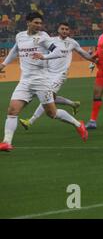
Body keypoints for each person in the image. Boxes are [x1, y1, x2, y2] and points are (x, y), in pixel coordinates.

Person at [0, 12, 88, 151]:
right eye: (36, 23)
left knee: (52, 113)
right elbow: (14, 50)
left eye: (40, 23)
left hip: (41, 81)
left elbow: (58, 51)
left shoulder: (43, 37)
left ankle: (78, 124)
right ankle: (6, 142)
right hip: (25, 81)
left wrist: (44, 57)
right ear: (28, 22)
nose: (39, 26)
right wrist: (4, 64)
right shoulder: (20, 36)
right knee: (12, 110)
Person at [19, 22, 96, 130]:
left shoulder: (72, 43)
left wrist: (95, 59)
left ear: (69, 31)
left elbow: (84, 54)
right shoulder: (51, 41)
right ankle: (73, 104)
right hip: (48, 74)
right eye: (62, 29)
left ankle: (30, 121)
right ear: (58, 30)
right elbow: (42, 53)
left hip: (61, 74)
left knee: (48, 95)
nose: (65, 31)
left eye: (67, 29)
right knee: (50, 98)